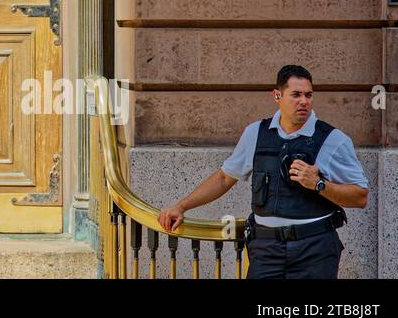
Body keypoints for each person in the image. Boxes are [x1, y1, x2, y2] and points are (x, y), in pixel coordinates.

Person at [157, 64, 369, 279]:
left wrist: (318, 184)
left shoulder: (333, 139)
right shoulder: (255, 133)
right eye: (296, 95)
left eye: (308, 95)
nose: (304, 101)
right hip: (266, 250)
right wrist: (181, 206)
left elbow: (360, 197)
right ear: (277, 95)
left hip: (315, 249)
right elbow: (223, 178)